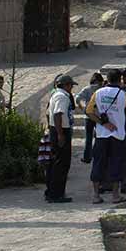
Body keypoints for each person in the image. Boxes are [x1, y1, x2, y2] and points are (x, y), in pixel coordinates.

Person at [86, 69, 126, 204]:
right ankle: (115, 195)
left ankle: (95, 195)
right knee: (116, 163)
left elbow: (89, 112)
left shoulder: (97, 93)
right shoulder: (124, 95)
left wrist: (104, 123)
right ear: (120, 79)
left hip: (101, 135)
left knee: (98, 163)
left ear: (107, 79)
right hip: (118, 135)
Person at [45, 75, 77, 203]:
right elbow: (58, 114)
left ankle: (53, 191)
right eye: (70, 85)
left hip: (56, 129)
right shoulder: (62, 97)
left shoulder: (56, 94)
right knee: (61, 164)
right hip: (61, 130)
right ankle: (56, 194)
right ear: (66, 85)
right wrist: (60, 134)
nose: (71, 88)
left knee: (56, 162)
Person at [76, 73, 103, 163]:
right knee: (99, 137)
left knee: (88, 138)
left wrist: (84, 108)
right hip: (98, 117)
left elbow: (78, 98)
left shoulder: (87, 89)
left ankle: (87, 157)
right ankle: (97, 155)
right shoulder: (102, 89)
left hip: (89, 116)